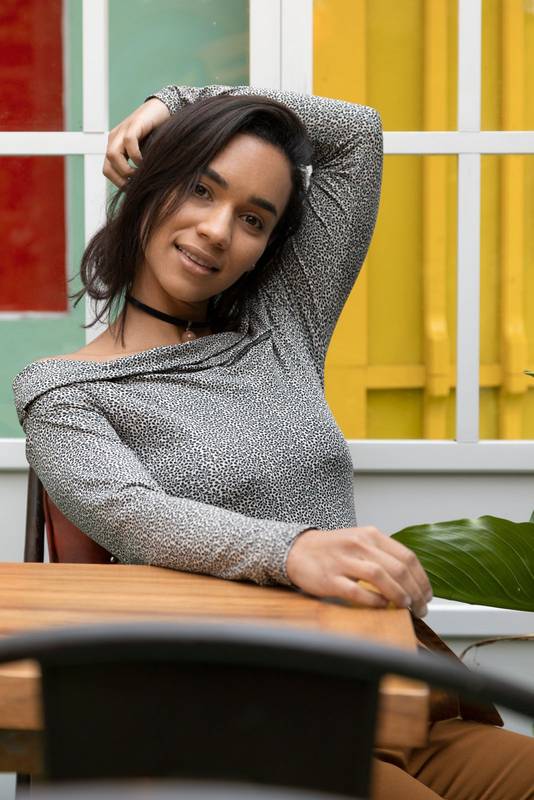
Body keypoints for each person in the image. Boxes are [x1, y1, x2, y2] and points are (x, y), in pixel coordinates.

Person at [12, 84, 534, 798]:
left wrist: (181, 99)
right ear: (149, 182)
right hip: (257, 719)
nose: (219, 231)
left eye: (253, 219)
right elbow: (132, 513)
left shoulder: (282, 326)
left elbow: (357, 134)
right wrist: (294, 548)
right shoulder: (62, 391)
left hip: (399, 694)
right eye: (201, 188)